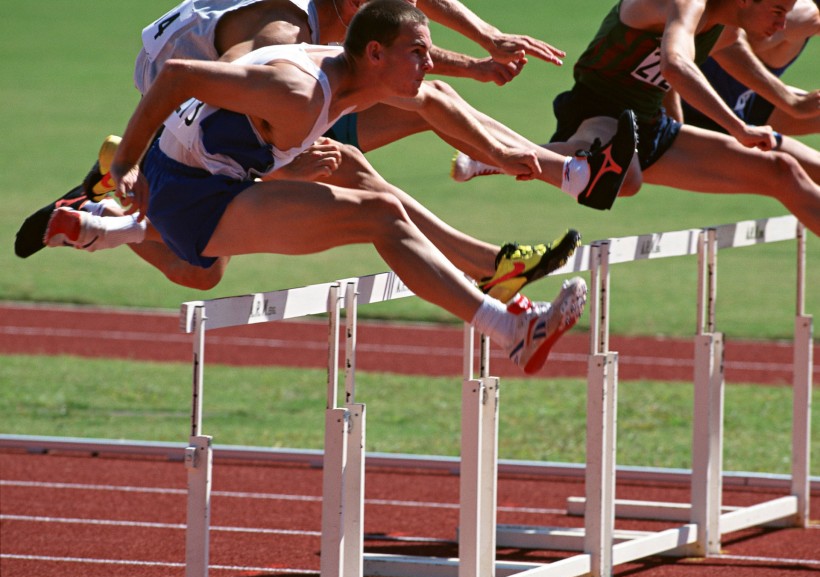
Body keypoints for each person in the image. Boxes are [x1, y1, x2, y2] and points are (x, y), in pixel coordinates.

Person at [105, 0, 588, 374]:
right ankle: (510, 330)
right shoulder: (298, 91)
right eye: (418, 55)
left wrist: (500, 154)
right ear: (375, 53)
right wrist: (126, 161)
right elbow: (177, 76)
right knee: (379, 216)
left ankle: (503, 285)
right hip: (189, 191)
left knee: (357, 172)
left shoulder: (353, 72)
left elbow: (434, 101)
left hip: (224, 168)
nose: (427, 65)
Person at [16, 0, 637, 281]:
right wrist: (276, 156)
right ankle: (118, 177)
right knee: (208, 269)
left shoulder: (348, 29)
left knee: (424, 108)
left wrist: (484, 44)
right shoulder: (277, 35)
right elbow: (219, 102)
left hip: (279, 112)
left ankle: (518, 233)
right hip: (218, 124)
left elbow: (405, 32)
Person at [451, 0, 820, 237]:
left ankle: (504, 156)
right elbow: (674, 65)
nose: (783, 21)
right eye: (777, 10)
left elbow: (733, 58)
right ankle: (496, 156)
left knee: (782, 172)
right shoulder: (688, 4)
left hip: (648, 123)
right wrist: (738, 128)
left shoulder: (726, 28)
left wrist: (792, 103)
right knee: (625, 179)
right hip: (600, 105)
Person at [679, 0, 819, 136]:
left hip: (738, 103)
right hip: (704, 109)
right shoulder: (805, 14)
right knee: (781, 160)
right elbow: (731, 48)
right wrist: (793, 102)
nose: (780, 24)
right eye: (778, 12)